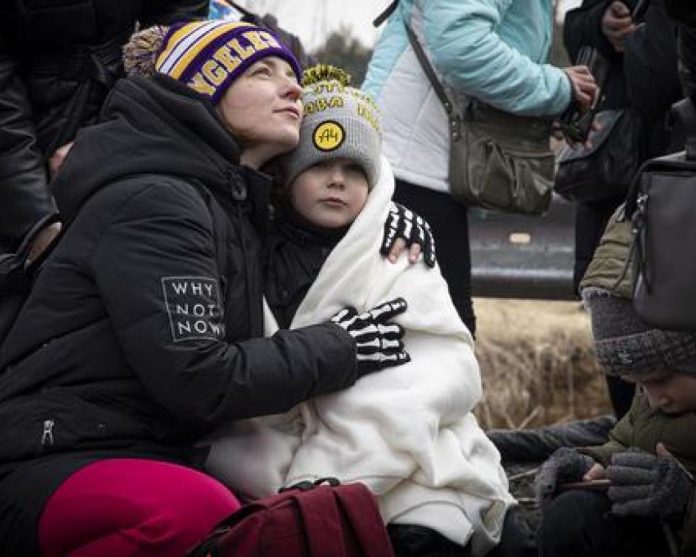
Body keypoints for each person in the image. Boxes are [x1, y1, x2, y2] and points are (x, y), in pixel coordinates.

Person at [0, 21, 414, 556]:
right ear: (200, 90)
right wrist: (342, 345)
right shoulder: (157, 200)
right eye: (262, 73)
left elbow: (309, 234)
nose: (292, 87)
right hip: (54, 456)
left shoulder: (230, 201)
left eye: (292, 74)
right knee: (195, 511)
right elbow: (198, 378)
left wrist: (387, 220)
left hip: (143, 449)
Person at [203, 66, 529, 557]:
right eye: (319, 165)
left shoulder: (396, 251)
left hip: (387, 423)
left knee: (432, 511)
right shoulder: (253, 247)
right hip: (279, 425)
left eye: (355, 170)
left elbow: (438, 360)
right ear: (286, 176)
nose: (337, 180)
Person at [362, 0, 598, 335]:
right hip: (412, 169)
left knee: (433, 339)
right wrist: (557, 88)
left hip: (416, 163)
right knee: (441, 343)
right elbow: (462, 48)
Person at [0, 0, 209, 264]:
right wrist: (34, 217)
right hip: (24, 139)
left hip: (127, 113)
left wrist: (109, 132)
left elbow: (176, 35)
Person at [534, 233, 696, 556]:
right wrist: (590, 464)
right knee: (572, 518)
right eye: (639, 385)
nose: (653, 399)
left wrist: (685, 501)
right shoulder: (659, 402)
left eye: (661, 379)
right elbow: (627, 442)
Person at [564, 0, 683, 419]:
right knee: (616, 336)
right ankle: (627, 444)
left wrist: (635, 41)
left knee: (668, 337)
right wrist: (599, 25)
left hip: (672, 181)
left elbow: (660, 75)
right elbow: (574, 30)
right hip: (610, 179)